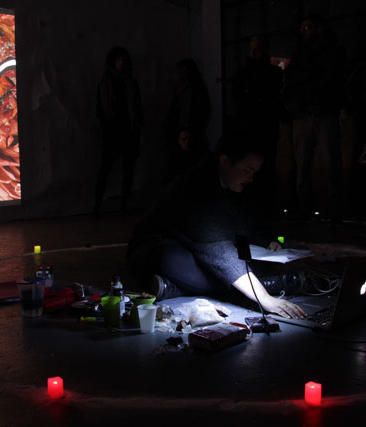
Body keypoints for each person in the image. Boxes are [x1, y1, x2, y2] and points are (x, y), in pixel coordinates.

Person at [126, 133, 306, 319]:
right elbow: (219, 253)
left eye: (254, 172)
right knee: (171, 258)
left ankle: (174, 288)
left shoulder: (236, 187)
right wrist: (265, 298)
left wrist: (268, 242)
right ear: (224, 161)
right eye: (247, 170)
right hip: (159, 249)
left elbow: (248, 228)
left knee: (249, 266)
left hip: (205, 252)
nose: (250, 178)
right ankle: (269, 283)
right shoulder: (195, 187)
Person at [284, 14, 345, 222]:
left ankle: (329, 209)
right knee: (308, 163)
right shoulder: (305, 53)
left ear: (318, 28)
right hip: (308, 112)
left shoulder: (329, 52)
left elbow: (329, 79)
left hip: (320, 111)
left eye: (307, 28)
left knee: (327, 162)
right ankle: (310, 208)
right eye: (302, 29)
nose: (304, 32)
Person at [231, 35, 283, 218]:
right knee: (249, 168)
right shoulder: (246, 74)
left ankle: (263, 209)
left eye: (256, 49)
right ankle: (252, 208)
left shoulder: (271, 74)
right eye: (251, 49)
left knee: (265, 169)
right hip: (250, 128)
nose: (253, 53)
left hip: (264, 128)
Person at [94, 46, 144, 216]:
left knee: (128, 170)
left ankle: (123, 205)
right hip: (112, 132)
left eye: (123, 59)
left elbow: (137, 106)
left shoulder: (130, 81)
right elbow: (100, 108)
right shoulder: (106, 81)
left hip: (128, 131)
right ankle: (96, 206)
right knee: (105, 170)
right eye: (119, 59)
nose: (121, 62)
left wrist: (136, 127)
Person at [164, 58, 211, 182]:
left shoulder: (196, 87)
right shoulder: (181, 87)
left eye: (183, 70)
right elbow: (175, 107)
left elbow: (204, 109)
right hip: (182, 128)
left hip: (192, 128)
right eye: (180, 71)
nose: (181, 73)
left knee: (193, 157)